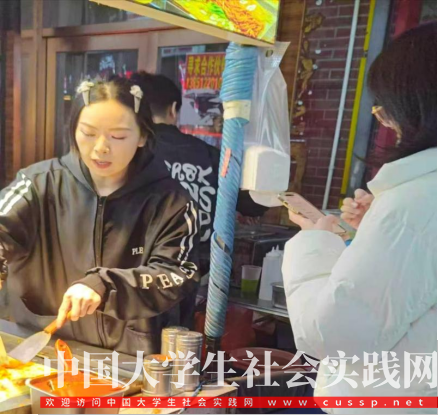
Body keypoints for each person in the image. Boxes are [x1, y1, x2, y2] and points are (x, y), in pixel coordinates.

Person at [282, 23, 437, 414]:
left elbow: (335, 334)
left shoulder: (413, 203)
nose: (386, 122)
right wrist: (369, 232)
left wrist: (317, 240)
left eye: (385, 110)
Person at [0, 77, 200, 356]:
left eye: (118, 136)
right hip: (42, 350)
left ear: (143, 136)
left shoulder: (171, 202)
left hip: (129, 357)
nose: (101, 147)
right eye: (88, 133)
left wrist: (106, 285)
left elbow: (178, 273)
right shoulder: (38, 184)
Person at [130, 71, 268, 274]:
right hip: (198, 271)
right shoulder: (208, 154)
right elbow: (254, 205)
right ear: (173, 109)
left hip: (137, 270)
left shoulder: (129, 154)